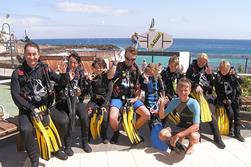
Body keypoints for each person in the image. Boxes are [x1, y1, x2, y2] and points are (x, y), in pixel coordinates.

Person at [10, 42, 69, 167]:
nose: (32, 57)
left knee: (64, 121)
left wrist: (65, 74)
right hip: (27, 108)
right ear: (25, 55)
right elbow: (15, 96)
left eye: (34, 54)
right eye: (29, 54)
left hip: (45, 106)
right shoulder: (17, 73)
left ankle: (56, 148)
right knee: (26, 129)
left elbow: (61, 81)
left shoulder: (44, 68)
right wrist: (31, 108)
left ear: (39, 54)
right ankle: (34, 160)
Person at [52, 51, 92, 154]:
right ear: (68, 62)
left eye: (75, 62)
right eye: (70, 62)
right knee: (70, 116)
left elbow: (86, 91)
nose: (72, 64)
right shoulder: (62, 71)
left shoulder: (80, 73)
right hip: (64, 102)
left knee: (84, 116)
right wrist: (64, 77)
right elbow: (56, 88)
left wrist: (85, 87)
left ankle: (85, 142)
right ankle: (67, 145)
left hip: (77, 101)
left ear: (78, 63)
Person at [109, 46, 150, 144]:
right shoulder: (118, 66)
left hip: (131, 98)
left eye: (133, 59)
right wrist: (114, 64)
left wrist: (136, 98)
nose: (130, 61)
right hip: (118, 97)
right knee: (112, 117)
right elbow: (110, 76)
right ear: (124, 56)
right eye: (128, 59)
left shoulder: (136, 69)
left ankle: (132, 130)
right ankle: (116, 132)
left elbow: (139, 87)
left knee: (147, 114)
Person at [186, 53, 226, 149]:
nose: (201, 63)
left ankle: (217, 138)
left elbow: (213, 83)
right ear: (197, 59)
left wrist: (210, 75)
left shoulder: (207, 69)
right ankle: (197, 136)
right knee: (197, 114)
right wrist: (195, 85)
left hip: (207, 96)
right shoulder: (192, 68)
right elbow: (187, 79)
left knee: (212, 115)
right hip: (195, 96)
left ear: (206, 62)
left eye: (204, 61)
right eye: (200, 61)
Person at [159, 77, 200, 155]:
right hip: (181, 125)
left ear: (190, 91)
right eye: (180, 90)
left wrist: (178, 135)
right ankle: (176, 141)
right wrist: (162, 104)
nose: (183, 93)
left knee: (194, 137)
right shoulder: (175, 101)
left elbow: (196, 126)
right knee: (162, 134)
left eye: (186, 90)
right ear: (177, 91)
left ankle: (190, 144)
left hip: (192, 128)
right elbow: (162, 116)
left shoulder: (194, 103)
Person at [86, 57, 116, 144]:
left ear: (104, 67)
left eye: (100, 67)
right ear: (93, 68)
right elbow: (90, 93)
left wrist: (104, 105)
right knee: (89, 113)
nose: (98, 69)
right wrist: (88, 82)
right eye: (96, 67)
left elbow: (110, 92)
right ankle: (89, 133)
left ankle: (104, 135)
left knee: (105, 116)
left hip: (105, 100)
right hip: (94, 100)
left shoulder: (107, 77)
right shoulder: (92, 77)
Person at [214, 60, 245, 142]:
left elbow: (242, 81)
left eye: (226, 68)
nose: (224, 70)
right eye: (222, 69)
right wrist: (223, 99)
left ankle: (237, 133)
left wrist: (235, 75)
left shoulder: (232, 74)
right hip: (225, 99)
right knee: (230, 113)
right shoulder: (218, 76)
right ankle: (230, 127)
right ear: (220, 68)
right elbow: (217, 91)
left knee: (237, 115)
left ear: (229, 68)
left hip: (235, 98)